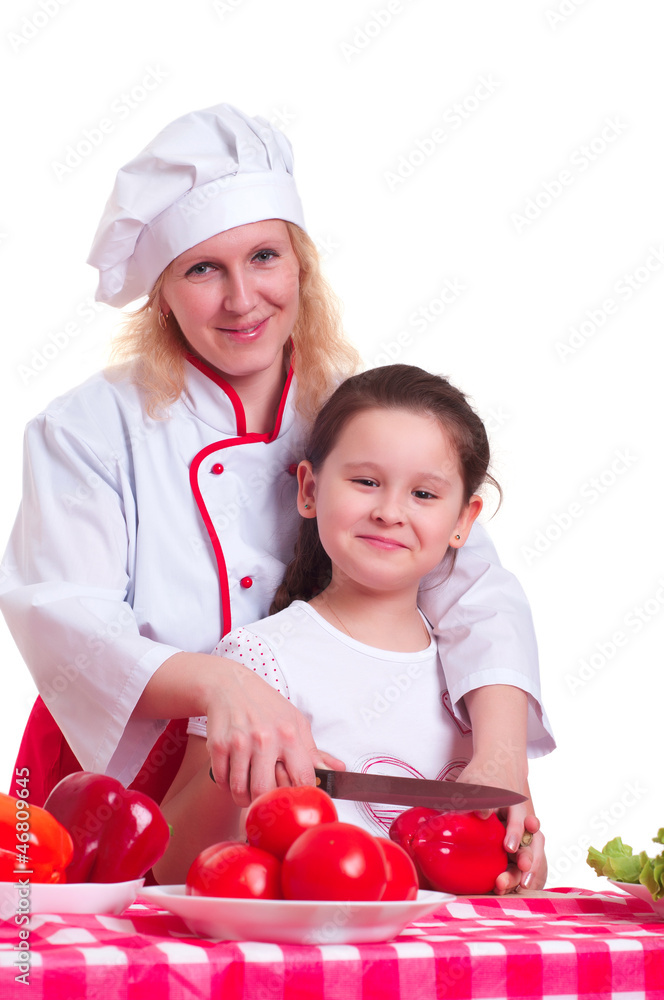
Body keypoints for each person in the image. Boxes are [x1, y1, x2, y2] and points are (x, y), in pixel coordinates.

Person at [0, 103, 553, 814]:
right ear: (163, 297)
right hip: (113, 772)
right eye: (202, 269)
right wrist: (222, 683)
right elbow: (66, 618)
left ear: (301, 264)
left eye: (264, 256)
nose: (242, 300)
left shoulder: (354, 412)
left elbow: (473, 588)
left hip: (299, 762)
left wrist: (501, 764)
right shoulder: (89, 428)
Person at [155, 364, 550, 892]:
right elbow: (174, 864)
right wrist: (229, 773)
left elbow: (518, 867)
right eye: (366, 482)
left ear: (464, 521)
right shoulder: (256, 659)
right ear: (310, 490)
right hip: (315, 964)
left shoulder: (478, 683)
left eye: (425, 495)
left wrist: (521, 861)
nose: (390, 511)